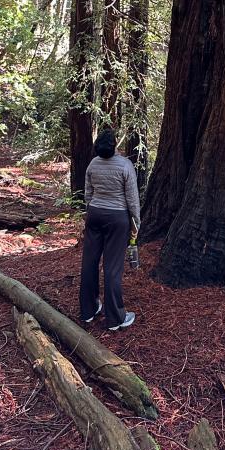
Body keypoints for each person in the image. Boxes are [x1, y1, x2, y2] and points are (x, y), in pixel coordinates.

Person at [79, 128, 140, 330]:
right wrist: (136, 222)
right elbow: (132, 198)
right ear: (114, 145)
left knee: (90, 262)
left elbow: (88, 194)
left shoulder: (92, 164)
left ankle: (88, 310)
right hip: (117, 218)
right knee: (113, 268)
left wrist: (94, 208)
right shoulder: (125, 165)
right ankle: (115, 319)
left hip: (94, 215)